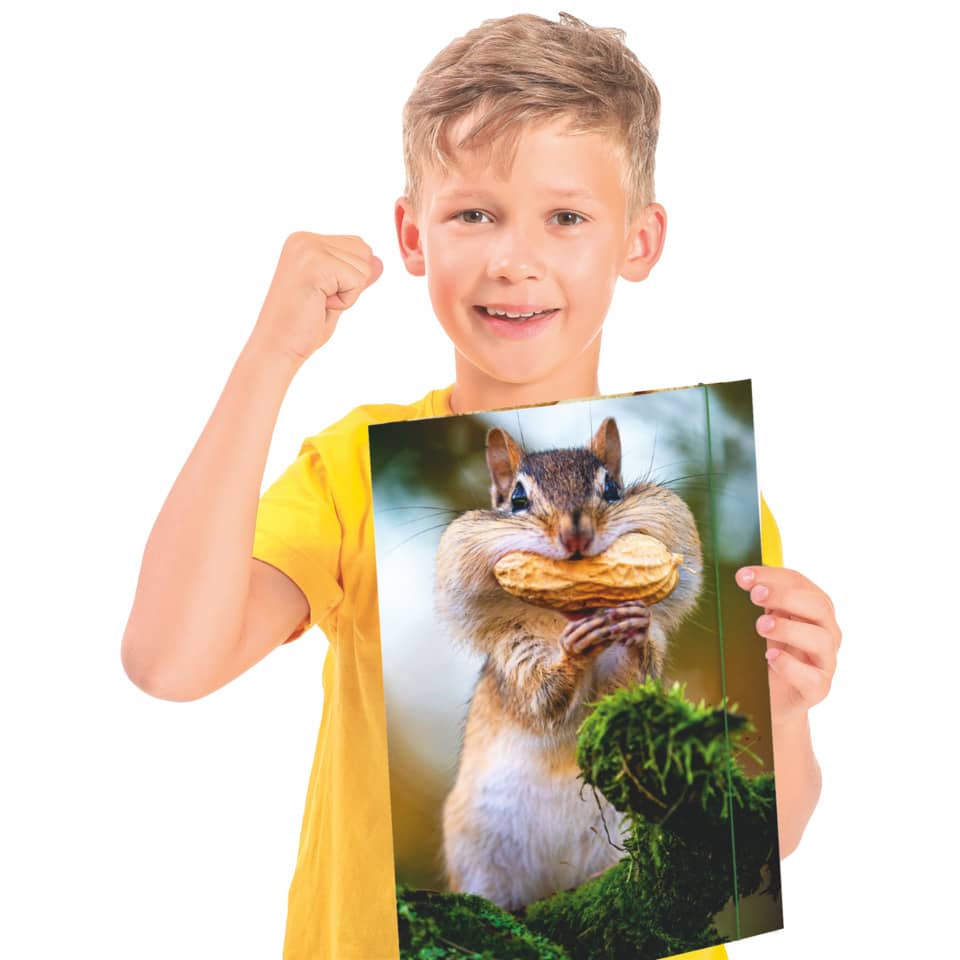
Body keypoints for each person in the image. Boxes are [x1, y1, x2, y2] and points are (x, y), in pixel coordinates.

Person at [121, 11, 841, 960]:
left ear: (640, 240)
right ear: (412, 235)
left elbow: (768, 835)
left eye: (567, 216)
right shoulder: (351, 466)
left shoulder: (686, 531)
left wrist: (787, 700)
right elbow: (170, 662)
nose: (516, 258)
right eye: (475, 212)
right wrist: (271, 356)